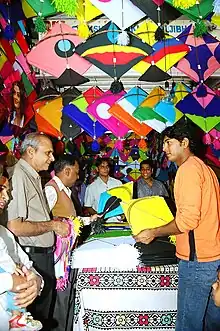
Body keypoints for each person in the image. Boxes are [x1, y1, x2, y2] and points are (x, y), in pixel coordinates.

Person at [134, 121, 220, 331]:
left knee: (187, 323)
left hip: (196, 260)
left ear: (185, 143)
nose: (164, 149)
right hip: (210, 255)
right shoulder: (205, 168)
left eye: (168, 143)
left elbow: (187, 221)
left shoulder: (188, 170)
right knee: (211, 321)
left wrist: (153, 232)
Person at [6, 132, 69, 331]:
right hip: (30, 256)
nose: (52, 158)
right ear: (31, 152)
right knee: (33, 319)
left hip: (40, 257)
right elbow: (15, 226)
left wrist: (53, 222)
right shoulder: (18, 176)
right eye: (48, 153)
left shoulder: (33, 176)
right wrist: (52, 226)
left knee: (41, 317)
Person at [44, 155, 98, 331]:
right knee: (60, 297)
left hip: (67, 253)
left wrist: (90, 219)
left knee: (66, 297)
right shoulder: (51, 190)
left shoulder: (66, 190)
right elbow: (45, 221)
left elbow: (71, 220)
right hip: (58, 256)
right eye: (76, 172)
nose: (78, 176)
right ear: (66, 171)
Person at [0, 170, 43, 330]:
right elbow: (12, 279)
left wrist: (36, 282)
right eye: (1, 189)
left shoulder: (4, 233)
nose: (6, 197)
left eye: (7, 191)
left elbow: (26, 264)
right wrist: (10, 281)